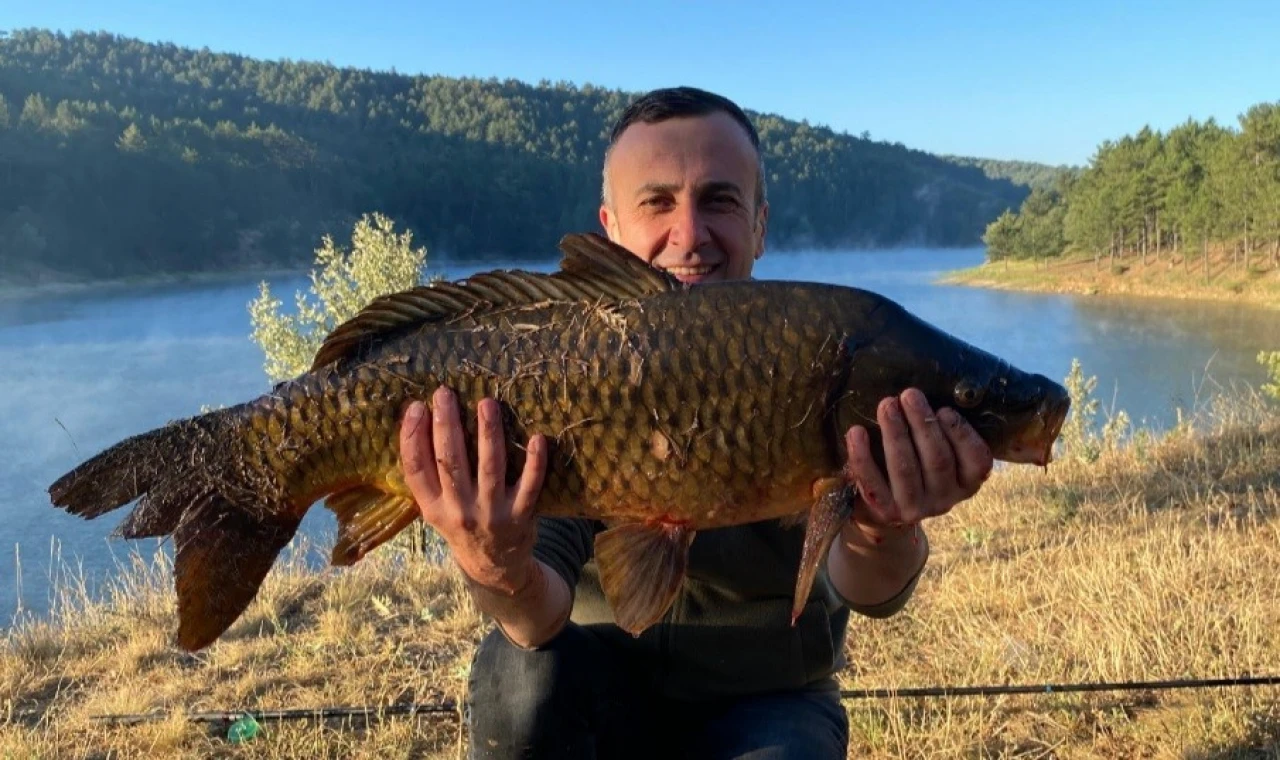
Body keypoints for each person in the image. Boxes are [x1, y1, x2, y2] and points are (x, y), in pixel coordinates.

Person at [398, 86, 994, 759]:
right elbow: (536, 619)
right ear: (610, 230)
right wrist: (494, 562)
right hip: (592, 676)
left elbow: (874, 593)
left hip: (769, 699)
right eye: (657, 203)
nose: (689, 235)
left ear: (760, 224)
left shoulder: (818, 352)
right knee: (520, 677)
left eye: (719, 200)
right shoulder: (560, 366)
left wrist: (886, 521)